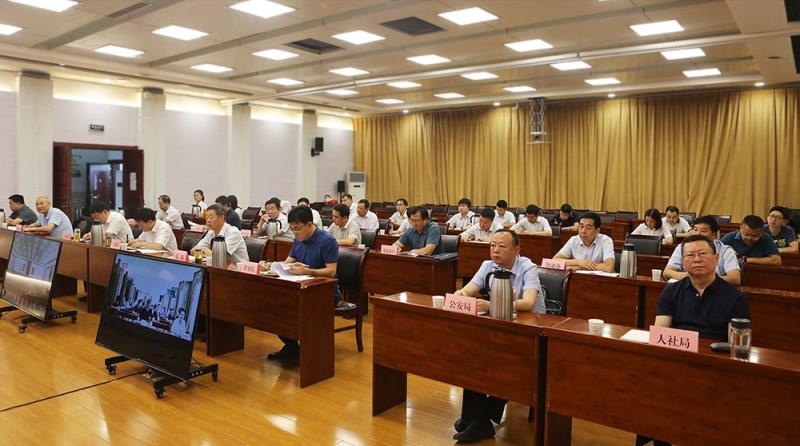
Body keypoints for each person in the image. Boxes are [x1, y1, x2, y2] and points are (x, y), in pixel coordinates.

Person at [644, 235, 751, 446]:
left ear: (716, 258)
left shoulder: (735, 298)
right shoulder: (671, 291)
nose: (696, 259)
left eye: (702, 254)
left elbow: (737, 346)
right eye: (690, 255)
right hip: (677, 362)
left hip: (715, 368)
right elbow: (661, 333)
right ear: (683, 261)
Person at [451, 229, 543, 442]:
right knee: (472, 355)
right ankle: (475, 419)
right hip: (502, 326)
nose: (495, 251)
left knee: (500, 362)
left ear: (516, 250)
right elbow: (467, 290)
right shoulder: (487, 265)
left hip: (531, 330)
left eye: (502, 246)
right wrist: (460, 295)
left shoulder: (528, 267)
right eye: (492, 245)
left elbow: (529, 303)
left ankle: (477, 420)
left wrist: (491, 304)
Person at [258, 206, 340, 360]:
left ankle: (311, 351)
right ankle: (291, 346)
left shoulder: (327, 241)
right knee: (273, 305)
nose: (294, 233)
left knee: (291, 308)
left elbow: (331, 271)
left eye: (297, 229)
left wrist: (307, 271)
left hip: (325, 292)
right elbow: (287, 262)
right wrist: (270, 265)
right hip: (301, 287)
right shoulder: (298, 239)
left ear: (309, 224)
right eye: (292, 229)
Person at [662, 215, 741, 286]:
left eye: (703, 231)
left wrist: (704, 280)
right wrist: (688, 276)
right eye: (695, 230)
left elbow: (735, 278)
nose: (698, 234)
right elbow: (667, 272)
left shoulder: (725, 251)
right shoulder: (682, 247)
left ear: (714, 234)